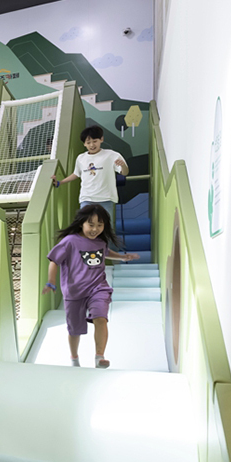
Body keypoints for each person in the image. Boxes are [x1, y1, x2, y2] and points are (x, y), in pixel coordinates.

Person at [45, 203, 139, 368]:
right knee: (75, 330)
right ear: (82, 223)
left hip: (98, 287)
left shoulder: (100, 242)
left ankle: (99, 357)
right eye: (91, 225)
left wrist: (123, 257)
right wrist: (51, 282)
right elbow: (54, 261)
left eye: (100, 225)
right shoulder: (70, 241)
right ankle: (74, 358)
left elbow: (106, 253)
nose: (95, 229)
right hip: (74, 292)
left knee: (101, 318)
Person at [51, 125, 128, 230]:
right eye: (88, 142)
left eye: (95, 141)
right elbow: (76, 174)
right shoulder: (81, 158)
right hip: (86, 198)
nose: (92, 145)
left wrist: (123, 166)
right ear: (84, 144)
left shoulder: (111, 155)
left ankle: (104, 242)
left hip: (106, 198)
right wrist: (60, 182)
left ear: (101, 139)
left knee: (105, 229)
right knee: (85, 227)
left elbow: (124, 173)